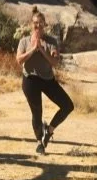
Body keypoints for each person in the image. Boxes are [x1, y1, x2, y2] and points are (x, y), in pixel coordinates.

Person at [17, 9, 73, 156]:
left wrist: (41, 50)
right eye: (35, 23)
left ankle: (48, 131)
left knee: (68, 105)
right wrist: (32, 49)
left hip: (48, 79)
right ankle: (39, 143)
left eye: (41, 24)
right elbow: (19, 60)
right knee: (37, 113)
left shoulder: (51, 42)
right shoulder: (24, 41)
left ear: (45, 25)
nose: (38, 27)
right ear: (31, 25)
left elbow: (55, 62)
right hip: (30, 79)